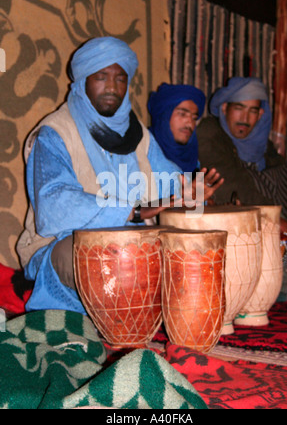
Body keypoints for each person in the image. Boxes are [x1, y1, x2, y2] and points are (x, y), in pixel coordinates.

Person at [17, 37, 221, 315]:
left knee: (198, 244)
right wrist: (133, 212)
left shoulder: (138, 135)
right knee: (98, 257)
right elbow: (54, 206)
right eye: (101, 77)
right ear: (82, 81)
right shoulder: (55, 133)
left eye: (120, 78)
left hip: (136, 243)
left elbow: (170, 184)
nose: (112, 87)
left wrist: (193, 196)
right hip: (65, 245)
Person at [197, 77, 287, 220]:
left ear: (260, 115)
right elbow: (228, 183)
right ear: (225, 108)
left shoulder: (263, 143)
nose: (245, 119)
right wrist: (275, 217)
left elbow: (283, 174)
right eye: (239, 108)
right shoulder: (210, 131)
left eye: (252, 111)